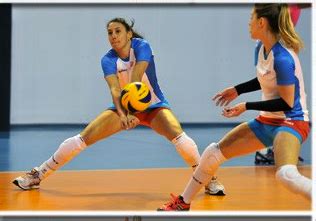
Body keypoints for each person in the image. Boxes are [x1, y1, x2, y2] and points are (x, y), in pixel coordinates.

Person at [12, 17, 225, 195]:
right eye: (109, 32)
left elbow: (136, 77)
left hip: (153, 106)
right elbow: (115, 89)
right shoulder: (107, 59)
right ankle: (38, 175)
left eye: (118, 31)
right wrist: (124, 114)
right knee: (81, 139)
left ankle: (208, 179)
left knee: (182, 140)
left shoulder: (142, 46)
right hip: (123, 106)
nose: (113, 36)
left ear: (129, 33)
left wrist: (133, 109)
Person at [158, 3, 311, 211]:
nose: (248, 23)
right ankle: (183, 203)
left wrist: (246, 105)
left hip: (291, 122)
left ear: (261, 22)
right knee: (213, 152)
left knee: (286, 175)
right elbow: (265, 78)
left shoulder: (283, 57)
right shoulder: (262, 48)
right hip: (267, 120)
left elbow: (286, 102)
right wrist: (238, 90)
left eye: (251, 18)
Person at [254, 3, 310, 165]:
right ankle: (265, 150)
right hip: (274, 43)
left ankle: (273, 149)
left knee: (283, 95)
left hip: (280, 41)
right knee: (276, 95)